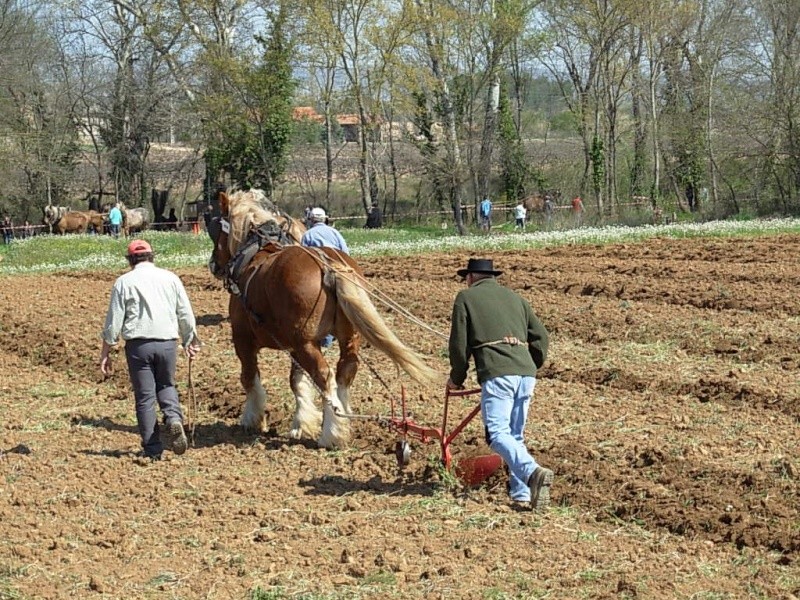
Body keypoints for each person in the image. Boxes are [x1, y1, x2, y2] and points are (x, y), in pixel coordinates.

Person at [447, 258, 552, 510]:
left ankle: (533, 472)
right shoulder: (516, 299)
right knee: (515, 436)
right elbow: (542, 337)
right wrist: (529, 363)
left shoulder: (465, 298)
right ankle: (522, 494)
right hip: (526, 374)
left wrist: (456, 378)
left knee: (496, 434)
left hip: (497, 373)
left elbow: (458, 346)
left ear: (471, 277)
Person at [99, 239, 201, 461]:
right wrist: (189, 340)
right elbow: (185, 312)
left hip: (139, 346)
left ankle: (153, 449)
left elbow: (113, 321)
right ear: (152, 256)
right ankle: (173, 417)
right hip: (167, 343)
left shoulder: (123, 282)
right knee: (166, 384)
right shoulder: (171, 278)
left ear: (130, 260)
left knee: (145, 397)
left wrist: (106, 351)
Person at [301, 207, 349, 348]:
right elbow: (345, 253)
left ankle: (325, 340)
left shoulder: (307, 235)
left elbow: (303, 257)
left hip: (318, 271)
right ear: (325, 219)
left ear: (311, 220)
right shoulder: (335, 232)